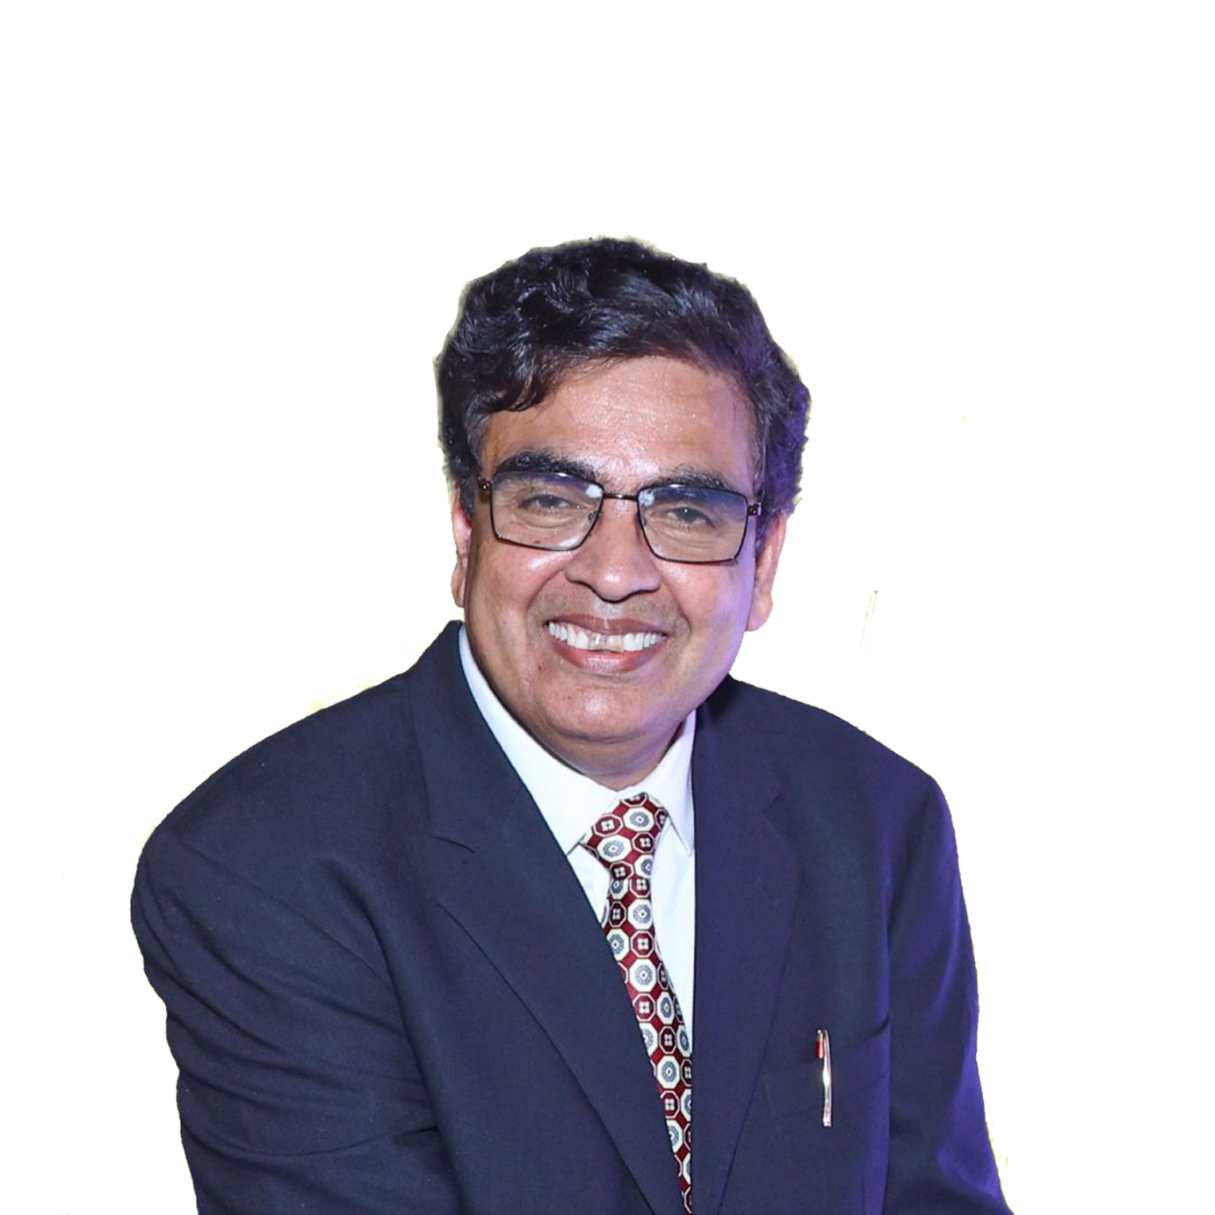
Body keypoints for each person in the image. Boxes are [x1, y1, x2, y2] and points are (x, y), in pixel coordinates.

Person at [132, 237, 1012, 1214]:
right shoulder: (261, 869)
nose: (615, 572)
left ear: (761, 563)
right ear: (466, 531)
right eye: (551, 501)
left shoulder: (876, 822)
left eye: (686, 512)